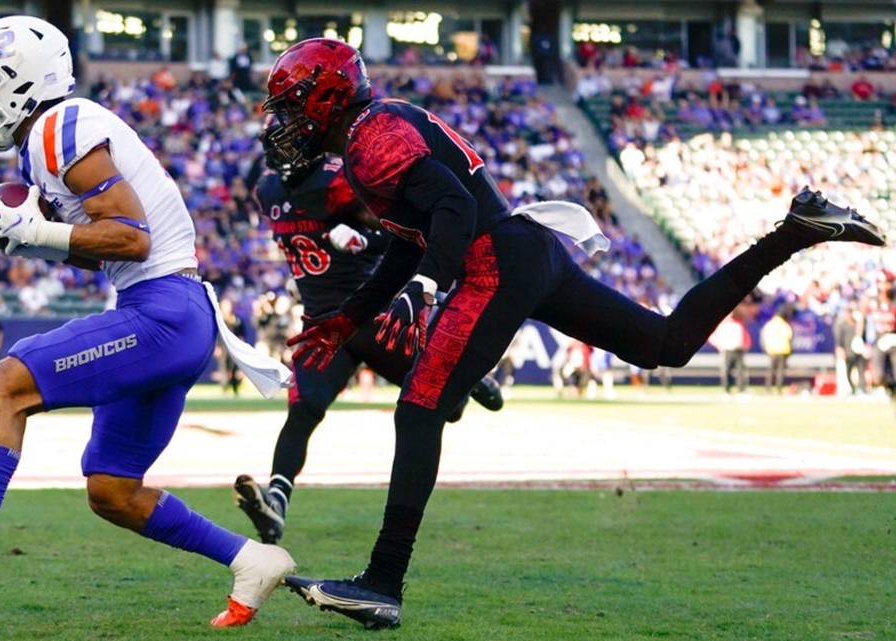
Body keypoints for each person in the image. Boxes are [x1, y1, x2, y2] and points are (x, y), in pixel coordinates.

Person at [263, 38, 886, 628]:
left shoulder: (373, 139)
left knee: (420, 407)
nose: (285, 122)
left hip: (495, 262)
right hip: (527, 250)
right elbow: (409, 242)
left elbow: (452, 210)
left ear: (326, 97)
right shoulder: (376, 131)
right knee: (664, 345)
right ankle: (796, 230)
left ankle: (382, 583)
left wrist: (426, 287)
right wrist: (347, 318)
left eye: (291, 105)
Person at [0, 16, 295, 628]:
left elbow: (132, 238)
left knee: (0, 388)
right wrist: (39, 244)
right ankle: (252, 559)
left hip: (163, 312)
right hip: (172, 313)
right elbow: (106, 240)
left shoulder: (58, 126)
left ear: (21, 81)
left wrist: (39, 230)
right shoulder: (52, 137)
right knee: (112, 491)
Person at [233, 133, 503, 545]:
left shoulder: (337, 180)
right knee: (304, 410)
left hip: (371, 314)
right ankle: (276, 502)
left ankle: (467, 375)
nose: (281, 151)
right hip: (323, 323)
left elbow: (408, 232)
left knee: (449, 407)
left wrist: (364, 237)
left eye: (291, 141)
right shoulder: (268, 189)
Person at [708, 310, 750, 396]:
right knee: (726, 371)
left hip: (738, 350)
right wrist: (719, 345)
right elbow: (712, 337)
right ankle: (726, 391)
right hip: (727, 350)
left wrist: (745, 345)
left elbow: (745, 336)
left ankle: (741, 391)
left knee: (740, 371)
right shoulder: (722, 326)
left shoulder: (738, 324)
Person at [760, 306, 793, 394]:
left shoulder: (770, 324)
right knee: (780, 371)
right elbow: (789, 337)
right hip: (783, 350)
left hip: (772, 350)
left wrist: (766, 348)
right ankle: (779, 389)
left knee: (771, 370)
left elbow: (764, 337)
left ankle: (768, 388)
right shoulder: (785, 325)